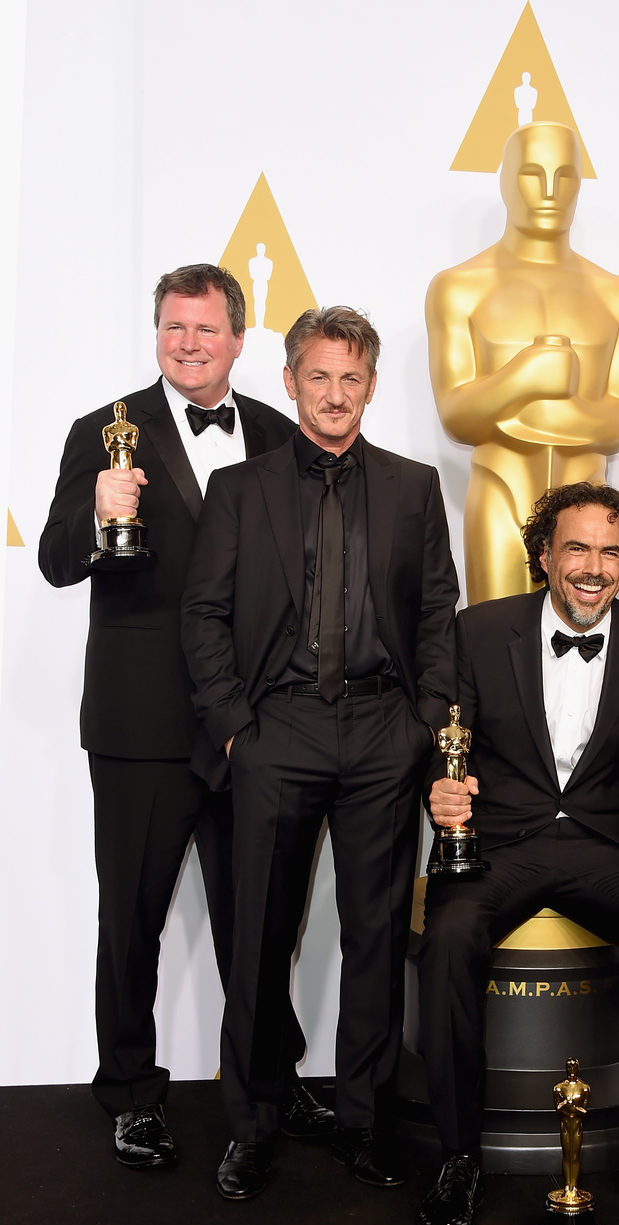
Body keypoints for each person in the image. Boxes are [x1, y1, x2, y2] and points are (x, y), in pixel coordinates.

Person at [38, 264, 327, 1171]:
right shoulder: (104, 431)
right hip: (141, 726)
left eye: (206, 330)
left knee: (265, 918)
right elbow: (52, 561)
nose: (188, 344)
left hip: (254, 722)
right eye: (173, 327)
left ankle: (271, 1081)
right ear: (156, 333)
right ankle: (128, 1090)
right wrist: (96, 513)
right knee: (132, 919)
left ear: (241, 340)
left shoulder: (283, 436)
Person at [181, 306, 459, 1200]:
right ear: (291, 381)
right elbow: (204, 616)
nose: (335, 395)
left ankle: (365, 1123)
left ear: (371, 386)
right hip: (279, 731)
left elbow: (435, 619)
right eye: (319, 377)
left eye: (352, 378)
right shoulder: (240, 488)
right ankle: (254, 1123)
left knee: (377, 937)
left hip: (385, 731)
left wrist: (423, 724)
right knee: (261, 936)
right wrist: (235, 727)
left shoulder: (416, 488)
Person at [415, 482, 619, 1225]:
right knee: (450, 939)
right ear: (544, 556)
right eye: (577, 548)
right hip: (502, 843)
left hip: (604, 847)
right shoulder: (479, 632)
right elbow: (447, 741)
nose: (593, 567)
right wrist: (445, 795)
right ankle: (458, 1158)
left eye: (611, 552)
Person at [425, 121, 619, 603]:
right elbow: (457, 416)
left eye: (565, 176)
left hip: (590, 510)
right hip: (498, 495)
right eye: (531, 174)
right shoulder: (459, 287)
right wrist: (523, 377)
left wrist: (515, 411)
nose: (549, 191)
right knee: (494, 656)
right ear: (504, 180)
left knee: (587, 661)